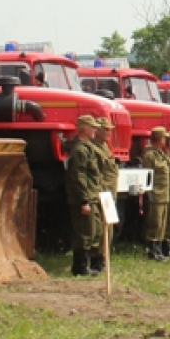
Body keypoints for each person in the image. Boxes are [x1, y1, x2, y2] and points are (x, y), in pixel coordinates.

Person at [65, 114, 107, 275]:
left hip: (92, 196)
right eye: (93, 127)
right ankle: (80, 267)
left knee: (95, 231)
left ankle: (94, 264)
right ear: (84, 129)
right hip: (84, 198)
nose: (95, 130)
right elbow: (78, 176)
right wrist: (84, 200)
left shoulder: (87, 147)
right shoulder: (80, 150)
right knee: (84, 233)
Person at [141, 126, 170, 261]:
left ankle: (158, 249)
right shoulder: (149, 155)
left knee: (162, 224)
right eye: (164, 137)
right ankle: (151, 250)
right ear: (160, 139)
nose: (166, 140)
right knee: (155, 223)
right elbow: (147, 175)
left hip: (164, 194)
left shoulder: (161, 154)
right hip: (155, 194)